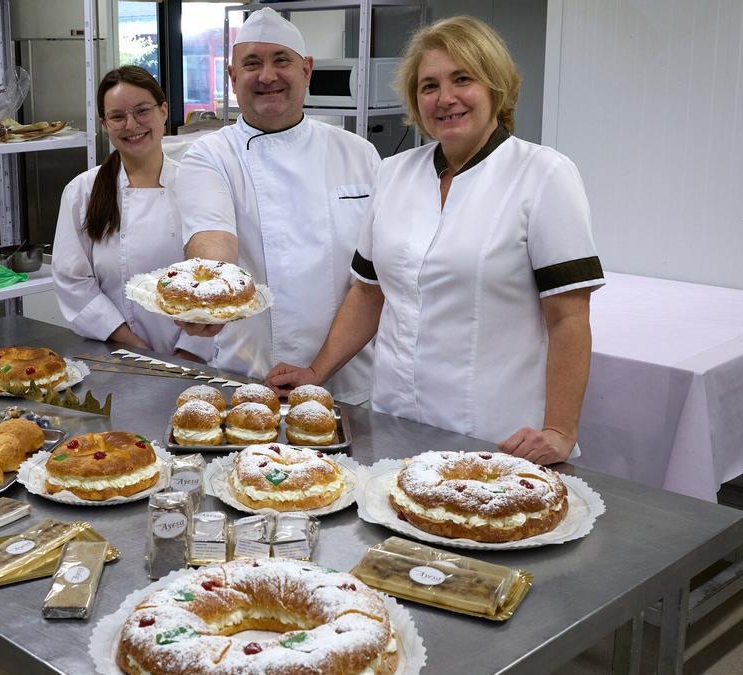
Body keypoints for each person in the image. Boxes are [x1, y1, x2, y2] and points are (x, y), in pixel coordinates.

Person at [267, 16, 604, 465]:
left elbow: (569, 317)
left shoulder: (543, 175)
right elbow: (368, 292)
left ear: (495, 86)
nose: (445, 99)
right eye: (429, 86)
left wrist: (560, 430)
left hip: (494, 433)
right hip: (394, 420)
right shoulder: (395, 173)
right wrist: (316, 372)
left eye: (462, 79)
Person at [176, 8, 380, 404]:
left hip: (353, 381)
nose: (267, 76)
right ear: (233, 78)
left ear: (306, 70)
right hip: (252, 378)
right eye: (252, 64)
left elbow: (374, 278)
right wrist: (210, 297)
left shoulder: (359, 153)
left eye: (281, 60)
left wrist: (320, 369)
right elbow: (212, 239)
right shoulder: (211, 154)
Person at [52, 66, 211, 360]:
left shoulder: (198, 187)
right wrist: (133, 346)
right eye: (117, 116)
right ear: (104, 124)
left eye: (142, 111)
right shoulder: (82, 191)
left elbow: (219, 279)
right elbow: (72, 281)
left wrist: (189, 353)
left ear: (163, 111)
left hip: (197, 359)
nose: (131, 125)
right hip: (116, 356)